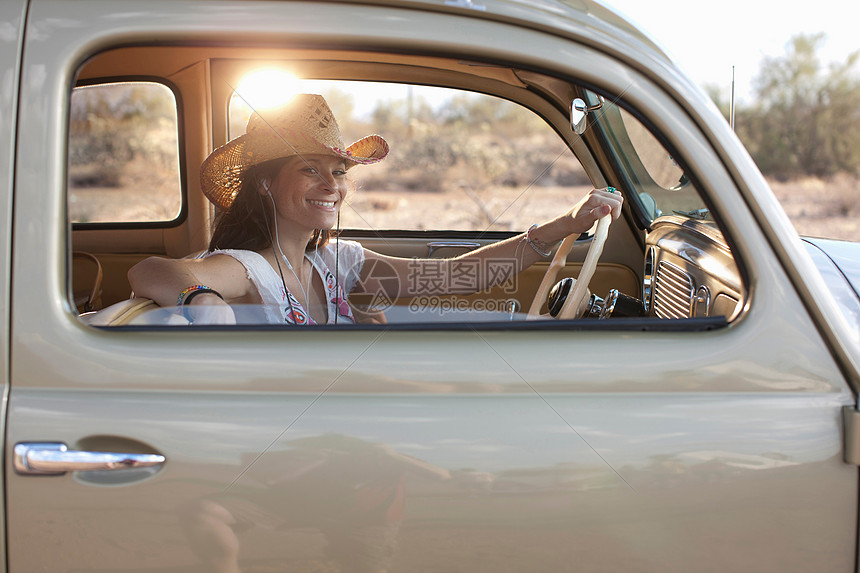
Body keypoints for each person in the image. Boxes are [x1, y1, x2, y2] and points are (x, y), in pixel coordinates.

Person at [128, 93, 623, 325]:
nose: (331, 185)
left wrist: (568, 224)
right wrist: (201, 299)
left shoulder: (336, 262)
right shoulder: (249, 269)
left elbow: (454, 279)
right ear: (265, 183)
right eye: (309, 169)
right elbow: (150, 271)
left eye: (339, 172)